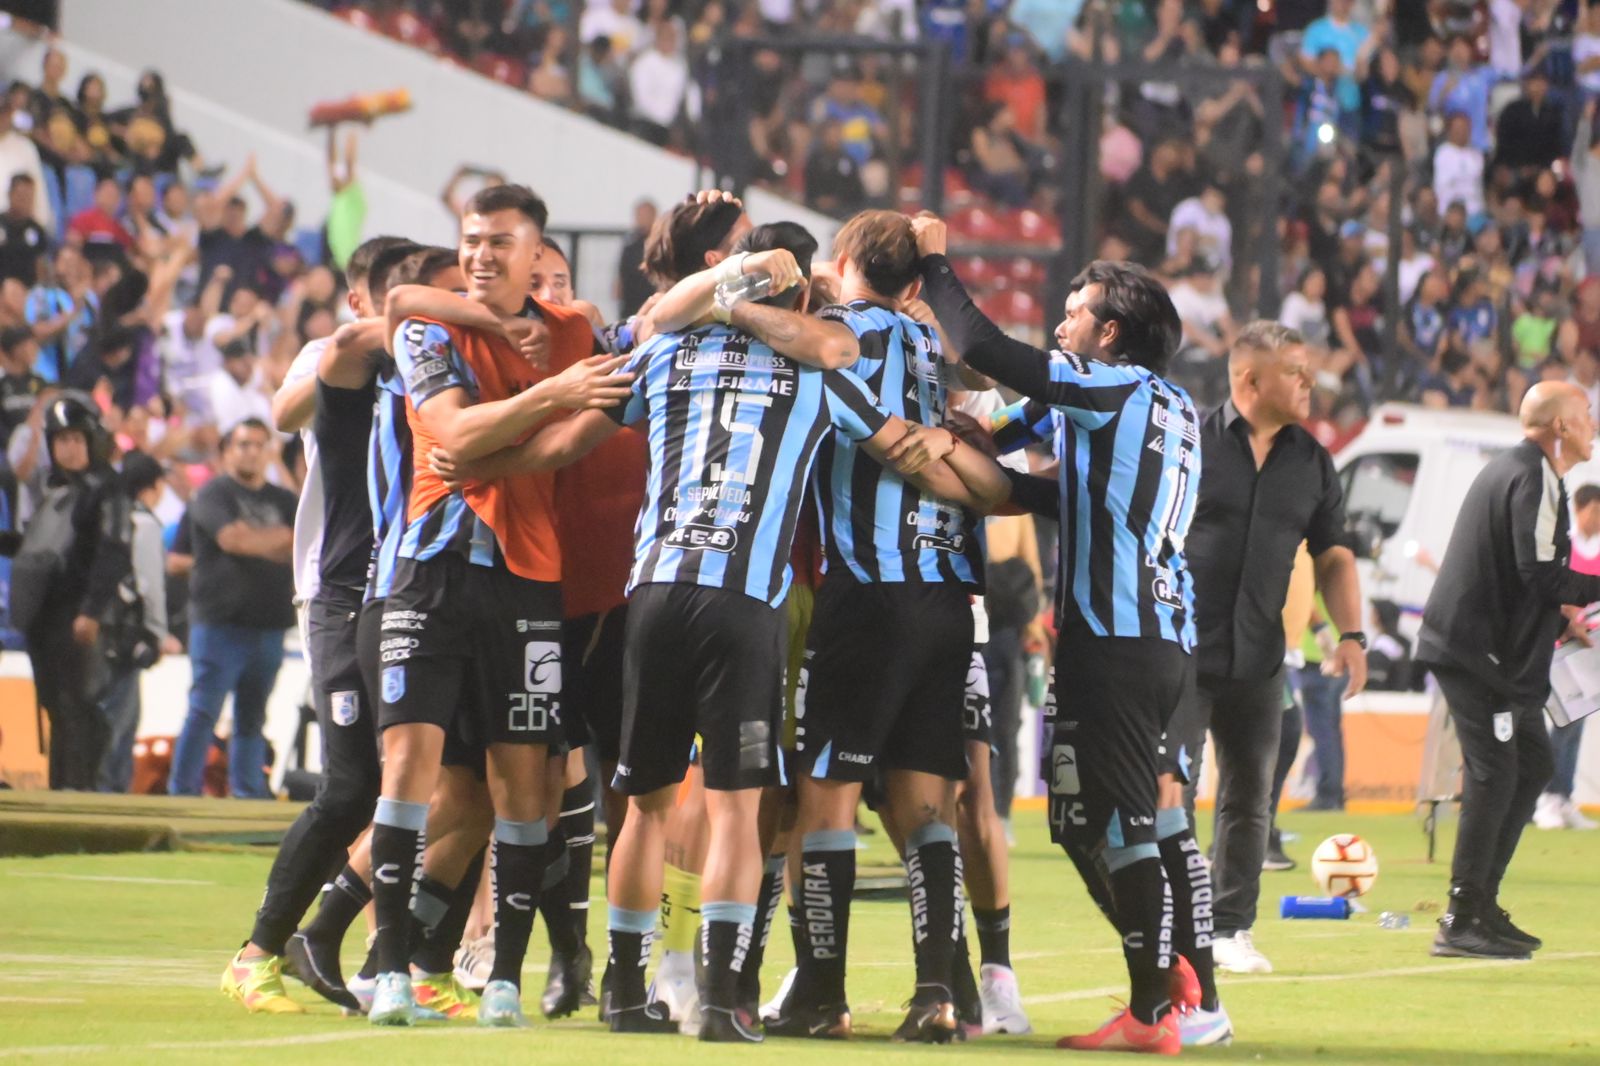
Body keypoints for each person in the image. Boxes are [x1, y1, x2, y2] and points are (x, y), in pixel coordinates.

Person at [494, 221, 1006, 1043]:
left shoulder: (659, 355)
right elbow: (903, 447)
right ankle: (724, 996)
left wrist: (480, 462)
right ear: (801, 294)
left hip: (655, 591)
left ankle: (627, 993)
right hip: (748, 597)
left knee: (645, 807)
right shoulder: (819, 373)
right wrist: (987, 482)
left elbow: (567, 441)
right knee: (739, 811)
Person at [915, 215, 1201, 1054]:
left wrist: (936, 267)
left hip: (1121, 637)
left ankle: (1153, 1011)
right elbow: (1041, 483)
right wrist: (977, 444)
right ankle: (1164, 970)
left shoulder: (1109, 385)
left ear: (1109, 332)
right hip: (1141, 636)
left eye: (1074, 312)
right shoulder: (1167, 408)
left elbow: (986, 347)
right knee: (1076, 820)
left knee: (1118, 823)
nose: (1062, 324)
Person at [366, 184, 629, 1029]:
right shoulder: (426, 330)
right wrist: (555, 400)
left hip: (527, 580)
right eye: (471, 239)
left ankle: (507, 976)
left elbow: (548, 448)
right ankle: (392, 968)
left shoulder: (572, 334)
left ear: (538, 255)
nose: (481, 253)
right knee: (407, 773)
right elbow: (450, 435)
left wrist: (573, 421)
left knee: (524, 783)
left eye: (499, 242)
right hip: (429, 572)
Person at [220, 236, 410, 1014]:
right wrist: (359, 346)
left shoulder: (425, 362)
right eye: (393, 290)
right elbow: (285, 408)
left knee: (395, 786)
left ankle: (356, 954)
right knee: (350, 788)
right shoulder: (330, 350)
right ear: (360, 295)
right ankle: (257, 954)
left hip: (400, 590)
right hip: (333, 590)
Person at [1169, 323, 1365, 982]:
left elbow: (1334, 553)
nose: (1311, 383)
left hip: (1261, 658)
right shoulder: (1187, 442)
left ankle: (1230, 929)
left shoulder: (1313, 462)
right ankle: (1169, 924)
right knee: (1172, 791)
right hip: (1179, 651)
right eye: (1296, 371)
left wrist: (1352, 635)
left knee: (1251, 800)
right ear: (1250, 379)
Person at [1418, 381, 1600, 958]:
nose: (1593, 425)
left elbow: (1528, 578)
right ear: (1561, 428)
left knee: (1532, 764)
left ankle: (1481, 904)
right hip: (1480, 657)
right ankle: (1460, 915)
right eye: (1587, 415)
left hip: (1488, 655)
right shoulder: (1535, 475)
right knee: (1497, 774)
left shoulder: (1531, 473)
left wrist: (1561, 618)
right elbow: (1539, 573)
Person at [167, 418, 297, 798]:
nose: (251, 451)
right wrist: (277, 541)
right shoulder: (212, 494)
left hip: (270, 625)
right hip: (219, 623)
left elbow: (301, 545)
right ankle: (183, 793)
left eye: (259, 444)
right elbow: (232, 539)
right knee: (203, 711)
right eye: (242, 444)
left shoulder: (286, 500)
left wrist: (263, 540)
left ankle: (248, 795)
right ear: (226, 452)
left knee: (253, 719)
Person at [9, 397, 125, 790]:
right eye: (61, 440)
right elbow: (35, 546)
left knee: (77, 708)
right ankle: (61, 792)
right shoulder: (52, 487)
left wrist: (91, 612)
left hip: (77, 614)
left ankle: (80, 796)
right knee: (56, 707)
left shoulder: (108, 489)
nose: (69, 448)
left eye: (77, 438)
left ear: (92, 441)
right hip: (44, 614)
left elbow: (113, 554)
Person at [95, 449, 173, 793]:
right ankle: (112, 794)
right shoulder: (144, 524)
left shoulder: (107, 516)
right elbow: (149, 585)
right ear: (154, 485)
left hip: (101, 629)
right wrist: (156, 632)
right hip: (127, 634)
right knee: (121, 721)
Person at [1535, 484, 1600, 831]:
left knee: (1576, 723)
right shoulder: (1566, 546)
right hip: (1558, 646)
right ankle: (1545, 796)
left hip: (1589, 648)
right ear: (1582, 508)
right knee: (1560, 720)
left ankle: (1563, 796)